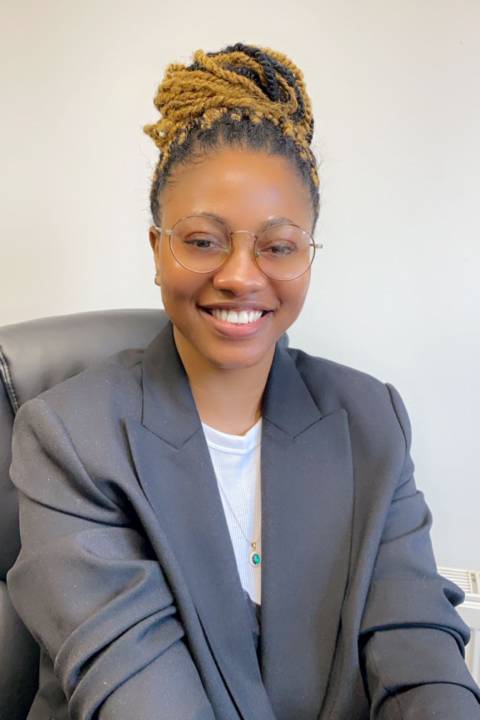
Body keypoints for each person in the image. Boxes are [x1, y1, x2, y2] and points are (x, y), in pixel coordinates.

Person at [6, 43, 480, 720]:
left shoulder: (371, 420)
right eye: (202, 239)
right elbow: (138, 692)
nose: (240, 274)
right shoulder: (70, 437)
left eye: (278, 245)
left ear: (308, 253)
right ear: (157, 249)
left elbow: (418, 648)